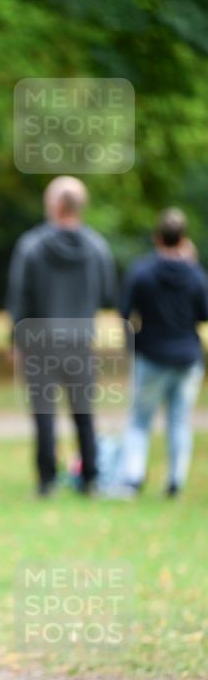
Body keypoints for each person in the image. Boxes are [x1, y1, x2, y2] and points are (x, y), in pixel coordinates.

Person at [6, 176, 116, 495]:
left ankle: (46, 480)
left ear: (55, 205)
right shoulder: (97, 247)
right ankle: (91, 478)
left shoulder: (31, 245)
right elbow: (108, 292)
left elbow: (19, 297)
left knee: (44, 413)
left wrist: (14, 341)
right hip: (81, 339)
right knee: (84, 411)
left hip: (39, 340)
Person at [118, 208, 208, 496]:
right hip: (187, 358)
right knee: (179, 421)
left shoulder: (143, 272)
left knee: (139, 419)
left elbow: (124, 313)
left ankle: (133, 477)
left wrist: (131, 346)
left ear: (158, 237)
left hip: (151, 355)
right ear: (183, 238)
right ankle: (175, 480)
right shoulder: (195, 274)